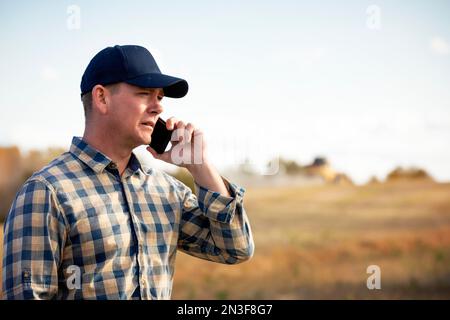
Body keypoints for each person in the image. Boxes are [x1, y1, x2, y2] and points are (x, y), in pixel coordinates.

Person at [1, 45, 254, 300]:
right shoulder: (47, 192)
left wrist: (200, 166)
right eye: (144, 93)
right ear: (101, 98)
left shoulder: (166, 191)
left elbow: (235, 249)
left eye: (160, 97)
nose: (158, 108)